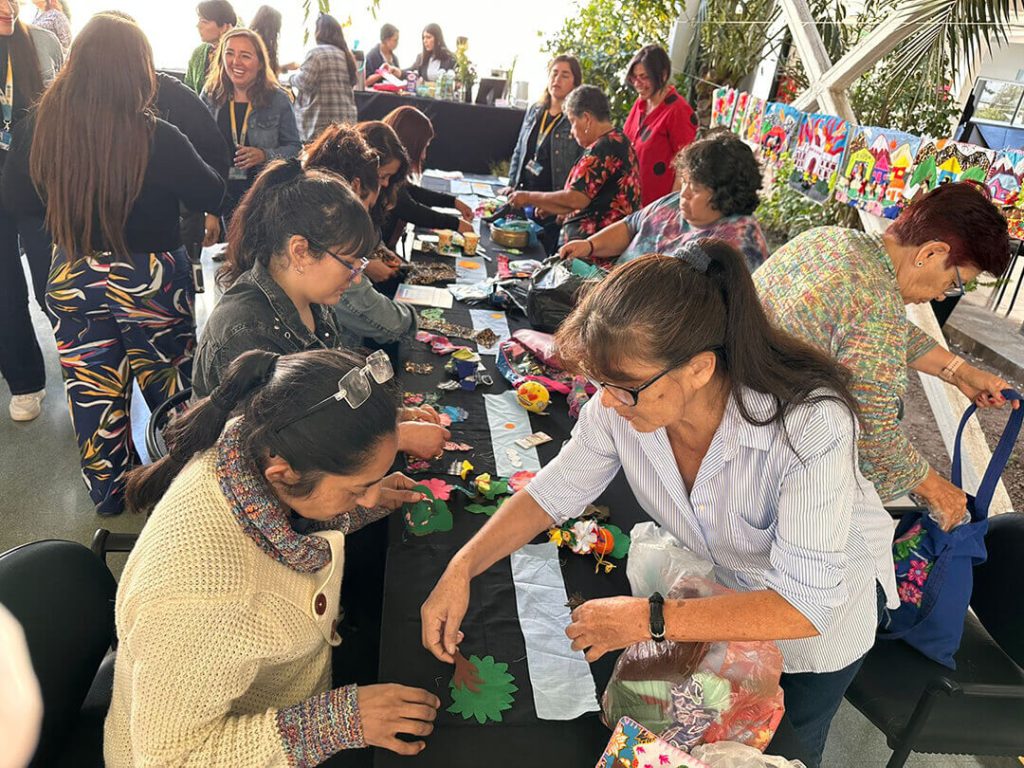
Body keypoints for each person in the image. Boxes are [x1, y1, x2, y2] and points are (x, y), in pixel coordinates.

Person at [420, 245, 899, 768]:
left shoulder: (810, 425)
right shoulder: (623, 403)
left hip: (816, 627)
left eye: (625, 388)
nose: (606, 402)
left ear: (698, 369)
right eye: (600, 384)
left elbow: (803, 605)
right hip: (713, 606)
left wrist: (647, 619)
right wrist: (461, 567)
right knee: (699, 728)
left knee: (776, 748)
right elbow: (551, 493)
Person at [105, 348, 442, 766]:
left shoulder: (253, 444)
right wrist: (337, 721)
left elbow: (284, 528)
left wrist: (355, 505)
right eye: (358, 487)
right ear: (284, 475)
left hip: (287, 686)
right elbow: (168, 759)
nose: (372, 495)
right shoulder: (202, 600)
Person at [2, 13, 225, 516]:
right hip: (149, 280)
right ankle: (179, 494)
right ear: (137, 69)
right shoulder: (157, 135)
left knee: (91, 390)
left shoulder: (39, 128)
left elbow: (16, 196)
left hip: (73, 273)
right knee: (171, 386)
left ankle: (109, 497)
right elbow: (211, 189)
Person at [754, 181, 1017, 530]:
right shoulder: (877, 304)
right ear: (931, 253)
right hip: (760, 466)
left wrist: (959, 372)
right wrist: (938, 490)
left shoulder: (829, 240)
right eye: (954, 282)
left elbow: (874, 330)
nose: (943, 296)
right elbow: (873, 433)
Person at [193, 158, 448, 460]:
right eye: (349, 264)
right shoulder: (246, 332)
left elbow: (327, 400)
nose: (356, 278)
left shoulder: (316, 303)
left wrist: (392, 417)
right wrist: (393, 439)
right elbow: (271, 457)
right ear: (300, 251)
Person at [559, 131, 769, 271]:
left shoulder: (739, 244)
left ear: (726, 195)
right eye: (684, 181)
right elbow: (631, 226)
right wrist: (589, 245)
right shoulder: (673, 203)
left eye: (695, 188)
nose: (683, 194)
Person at [0, 0, 62, 422]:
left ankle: (87, 376)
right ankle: (25, 382)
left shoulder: (42, 41)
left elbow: (64, 113)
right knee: (4, 292)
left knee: (54, 283)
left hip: (38, 182)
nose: (8, 6)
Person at [305, 123, 418, 350]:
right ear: (355, 187)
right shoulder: (331, 237)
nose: (358, 275)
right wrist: (413, 319)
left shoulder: (309, 207)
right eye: (366, 207)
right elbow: (382, 319)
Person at [509, 84, 641, 258]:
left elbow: (576, 199)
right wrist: (554, 207)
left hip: (595, 256)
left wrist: (528, 197)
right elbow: (592, 196)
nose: (571, 131)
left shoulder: (603, 148)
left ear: (586, 118)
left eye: (572, 122)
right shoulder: (616, 140)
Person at [202, 27, 301, 220]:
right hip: (219, 197)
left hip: (264, 198)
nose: (236, 62)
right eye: (229, 53)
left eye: (245, 56)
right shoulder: (211, 95)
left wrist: (265, 155)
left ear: (260, 63)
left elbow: (295, 148)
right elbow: (197, 147)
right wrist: (208, 211)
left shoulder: (278, 99)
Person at [505, 54, 584, 254]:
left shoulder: (574, 119)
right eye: (554, 73)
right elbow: (519, 148)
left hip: (551, 203)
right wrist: (511, 184)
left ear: (575, 82)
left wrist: (563, 207)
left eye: (565, 75)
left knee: (540, 254)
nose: (557, 80)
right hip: (524, 197)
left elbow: (578, 165)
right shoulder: (535, 110)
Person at [381, 105, 474, 245]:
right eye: (424, 147)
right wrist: (456, 224)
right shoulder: (386, 173)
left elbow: (410, 191)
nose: (423, 155)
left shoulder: (389, 169)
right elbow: (411, 211)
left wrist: (453, 202)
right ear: (409, 144)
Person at [623, 44, 697, 206]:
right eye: (634, 78)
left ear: (662, 75)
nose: (637, 83)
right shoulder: (641, 103)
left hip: (656, 208)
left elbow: (685, 164)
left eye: (644, 77)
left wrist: (669, 208)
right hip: (630, 202)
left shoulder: (678, 110)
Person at [291, 13, 359, 142]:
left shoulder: (316, 54)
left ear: (319, 32)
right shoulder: (346, 55)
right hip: (345, 124)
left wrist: (291, 78)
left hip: (320, 126)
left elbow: (304, 82)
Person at [185, 0, 236, 94]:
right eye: (199, 20)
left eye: (204, 21)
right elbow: (188, 90)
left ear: (224, 26)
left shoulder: (237, 53)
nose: (198, 26)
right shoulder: (198, 53)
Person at [250, 4, 296, 75]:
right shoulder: (259, 41)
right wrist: (285, 67)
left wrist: (285, 67)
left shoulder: (250, 37)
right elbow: (265, 73)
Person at [364, 23, 401, 88]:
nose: (397, 43)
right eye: (395, 40)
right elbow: (366, 81)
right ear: (386, 40)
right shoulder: (372, 56)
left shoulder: (394, 58)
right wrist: (382, 73)